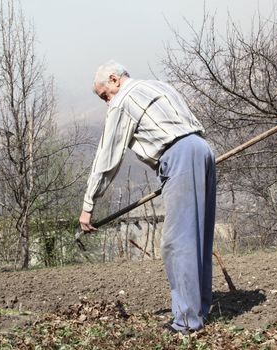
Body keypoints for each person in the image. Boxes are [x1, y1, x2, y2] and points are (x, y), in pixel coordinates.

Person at [79, 60, 216, 333]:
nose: (107, 102)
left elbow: (107, 158)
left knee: (177, 242)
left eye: (104, 95)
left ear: (115, 80)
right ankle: (198, 309)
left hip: (178, 155)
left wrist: (88, 205)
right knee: (199, 235)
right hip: (201, 149)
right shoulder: (158, 86)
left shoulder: (123, 100)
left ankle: (187, 322)